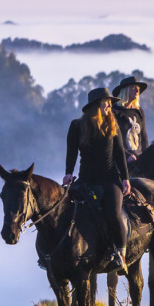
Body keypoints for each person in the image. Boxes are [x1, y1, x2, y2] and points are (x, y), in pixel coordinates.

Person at [64, 87, 131, 274]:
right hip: (86, 178)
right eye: (106, 102)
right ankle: (59, 253)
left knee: (114, 212)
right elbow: (72, 153)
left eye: (110, 102)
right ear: (95, 105)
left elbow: (119, 154)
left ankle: (120, 255)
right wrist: (68, 173)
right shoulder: (77, 126)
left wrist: (125, 179)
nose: (110, 105)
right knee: (67, 208)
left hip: (110, 179)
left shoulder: (113, 124)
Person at [112, 75, 149, 170]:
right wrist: (126, 155)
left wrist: (147, 158)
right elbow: (113, 139)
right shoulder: (114, 111)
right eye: (133, 87)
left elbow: (144, 138)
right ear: (125, 91)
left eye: (138, 88)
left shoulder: (139, 111)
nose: (137, 90)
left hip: (139, 161)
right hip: (120, 161)